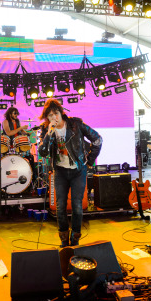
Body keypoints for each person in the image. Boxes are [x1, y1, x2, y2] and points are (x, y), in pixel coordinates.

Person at [38, 99, 102, 247]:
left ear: (61, 113)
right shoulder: (46, 129)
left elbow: (97, 139)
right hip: (60, 172)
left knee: (77, 206)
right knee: (60, 207)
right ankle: (64, 241)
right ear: (47, 118)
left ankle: (75, 239)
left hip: (78, 171)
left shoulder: (75, 125)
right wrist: (48, 134)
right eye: (50, 115)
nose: (54, 117)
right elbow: (42, 152)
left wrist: (90, 161)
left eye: (56, 113)